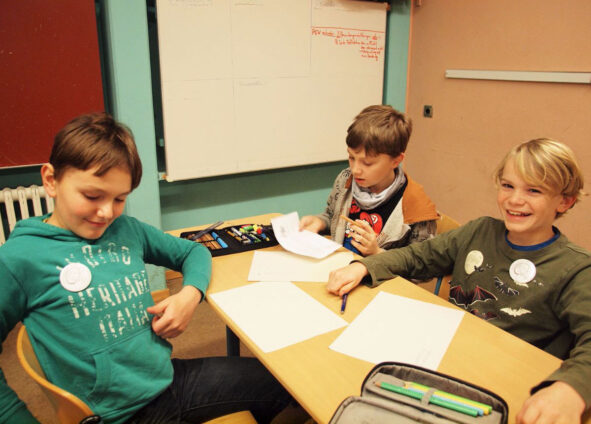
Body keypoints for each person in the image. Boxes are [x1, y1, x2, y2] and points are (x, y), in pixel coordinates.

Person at [0, 113, 295, 424]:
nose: (106, 213)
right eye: (92, 196)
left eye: (119, 199)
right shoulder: (20, 258)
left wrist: (189, 295)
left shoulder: (126, 229)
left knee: (286, 382)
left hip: (167, 380)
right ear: (51, 180)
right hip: (121, 415)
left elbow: (194, 251)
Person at [326, 138, 590, 423]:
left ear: (565, 200)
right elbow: (418, 256)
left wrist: (572, 388)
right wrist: (364, 266)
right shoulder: (479, 231)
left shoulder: (576, 268)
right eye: (507, 185)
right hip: (441, 360)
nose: (514, 200)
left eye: (533, 190)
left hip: (502, 386)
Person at [299, 104, 438, 257]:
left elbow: (422, 263)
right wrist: (320, 222)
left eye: (367, 163)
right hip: (340, 264)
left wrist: (377, 253)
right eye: (351, 157)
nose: (355, 170)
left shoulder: (416, 206)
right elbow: (333, 217)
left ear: (396, 160)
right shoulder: (346, 179)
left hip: (377, 273)